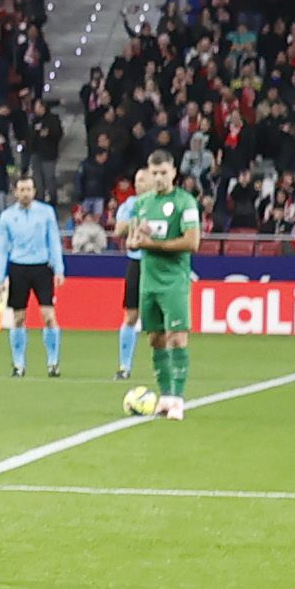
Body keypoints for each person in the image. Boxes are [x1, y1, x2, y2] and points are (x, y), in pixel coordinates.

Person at [127, 153, 206, 419]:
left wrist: (153, 245)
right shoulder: (142, 204)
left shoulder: (185, 202)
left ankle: (177, 399)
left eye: (163, 172)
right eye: (154, 173)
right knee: (155, 339)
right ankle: (164, 397)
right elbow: (132, 239)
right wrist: (136, 240)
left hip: (174, 281)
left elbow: (192, 242)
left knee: (177, 337)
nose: (158, 178)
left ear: (173, 172)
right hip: (148, 281)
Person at [0, 170, 64, 379]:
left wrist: (59, 269)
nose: (26, 193)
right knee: (18, 318)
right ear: (15, 192)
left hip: (42, 267)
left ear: (34, 191)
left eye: (29, 189)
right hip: (18, 268)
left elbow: (54, 241)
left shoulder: (46, 212)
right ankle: (18, 364)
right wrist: (0, 277)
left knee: (48, 316)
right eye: (22, 189)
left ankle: (53, 362)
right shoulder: (7, 217)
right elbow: (1, 248)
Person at [110, 157, 153, 381]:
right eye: (136, 180)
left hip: (157, 263)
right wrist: (137, 219)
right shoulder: (129, 205)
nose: (138, 184)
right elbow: (118, 231)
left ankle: (163, 366)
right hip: (136, 262)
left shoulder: (161, 204)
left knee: (158, 319)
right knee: (131, 314)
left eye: (142, 180)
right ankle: (124, 366)